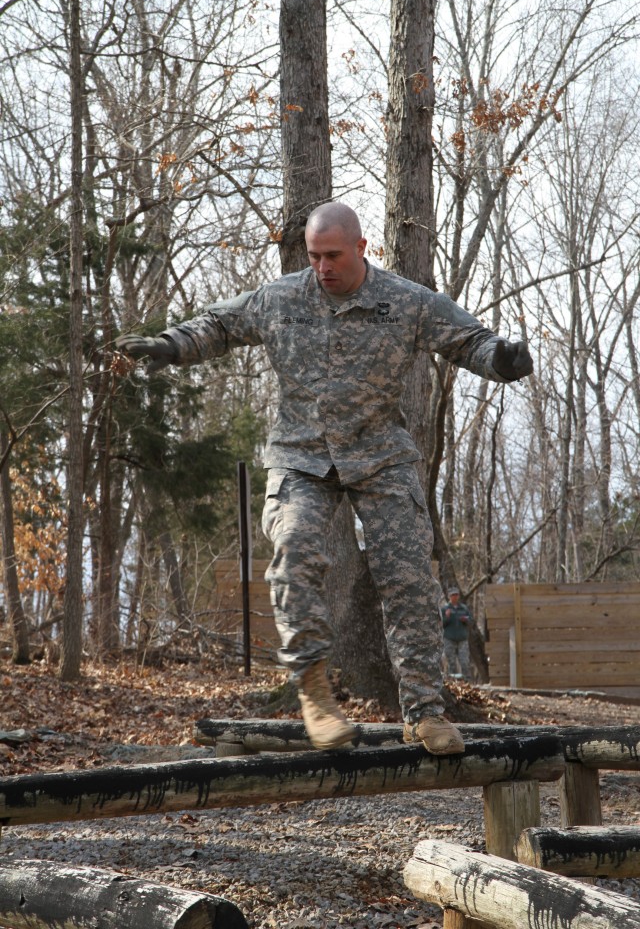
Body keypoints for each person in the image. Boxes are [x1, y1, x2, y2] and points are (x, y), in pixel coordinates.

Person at [116, 202, 533, 756]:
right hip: (301, 455)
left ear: (361, 249)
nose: (323, 267)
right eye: (314, 256)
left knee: (408, 576)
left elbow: (468, 340)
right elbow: (220, 323)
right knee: (294, 548)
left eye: (333, 255)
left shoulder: (405, 301)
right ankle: (314, 691)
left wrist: (501, 360)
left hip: (381, 456)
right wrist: (171, 344)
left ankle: (426, 713)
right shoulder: (281, 298)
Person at [441, 587, 473, 681]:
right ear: (449, 597)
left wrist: (466, 620)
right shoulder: (445, 609)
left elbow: (471, 622)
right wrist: (447, 617)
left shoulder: (464, 608)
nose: (454, 597)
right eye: (452, 595)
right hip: (449, 639)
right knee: (451, 663)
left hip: (462, 639)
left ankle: (468, 682)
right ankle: (454, 684)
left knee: (464, 662)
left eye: (456, 595)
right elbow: (440, 624)